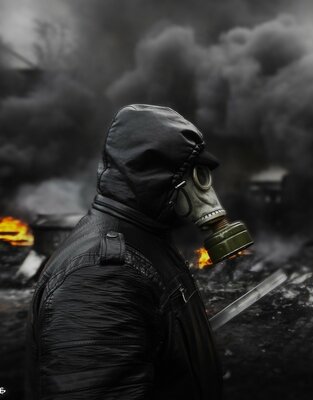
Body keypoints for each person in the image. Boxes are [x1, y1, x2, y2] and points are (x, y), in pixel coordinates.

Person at [26, 104, 224, 399]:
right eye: (195, 175)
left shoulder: (142, 239)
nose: (204, 192)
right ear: (161, 178)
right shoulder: (101, 275)